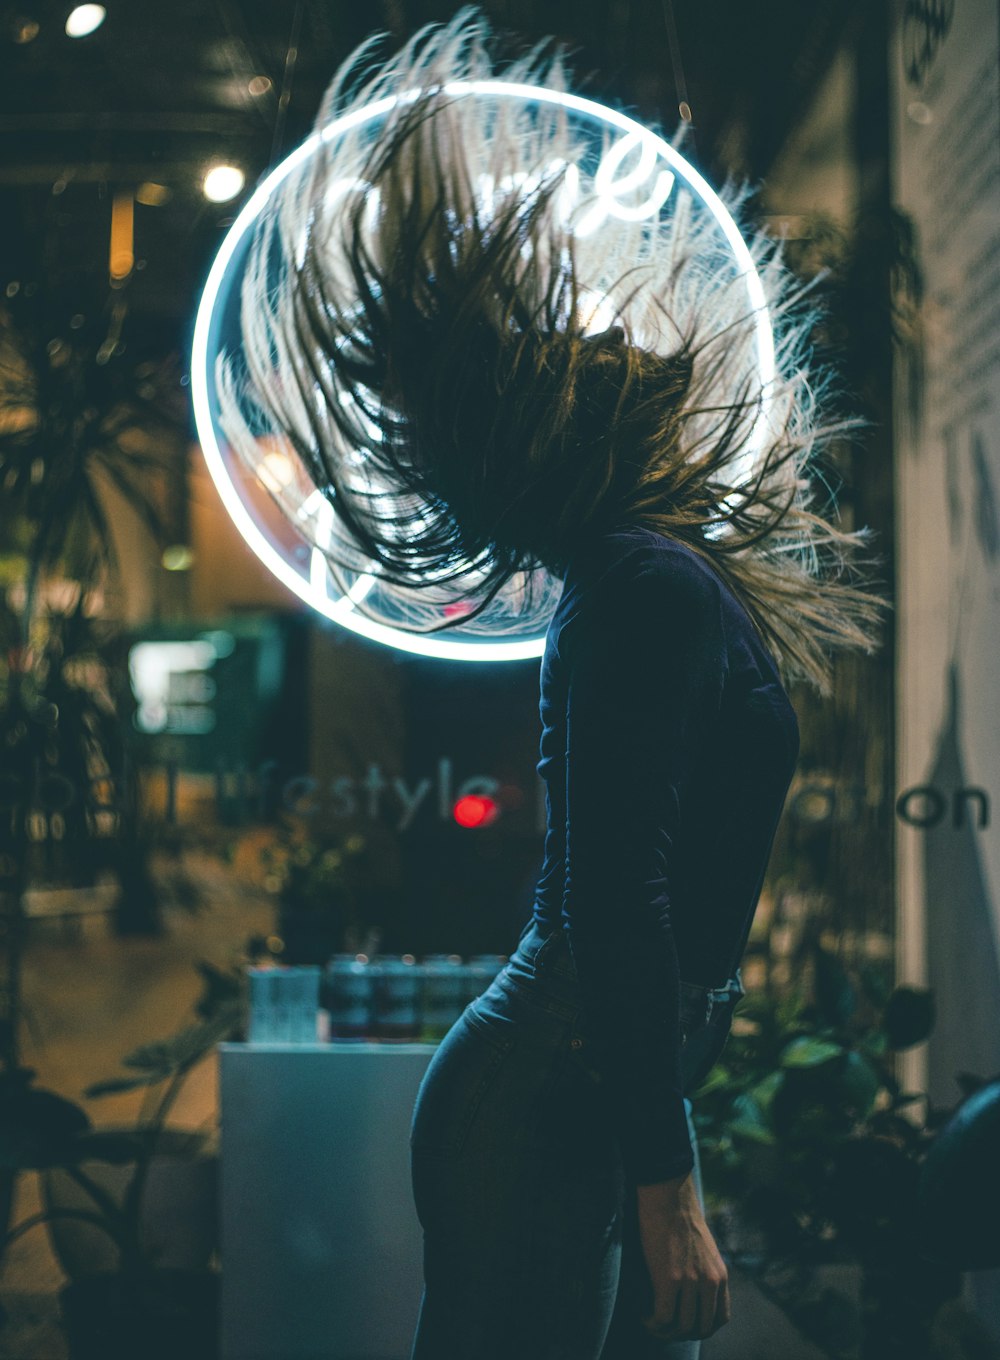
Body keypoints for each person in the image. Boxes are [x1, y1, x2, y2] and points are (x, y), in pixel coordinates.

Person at [216, 9, 890, 1356]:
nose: (624, 344)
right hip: (555, 1096)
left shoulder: (641, 584)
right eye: (582, 348)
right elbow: (617, 904)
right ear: (555, 428)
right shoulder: (641, 591)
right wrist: (670, 1182)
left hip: (565, 1087)